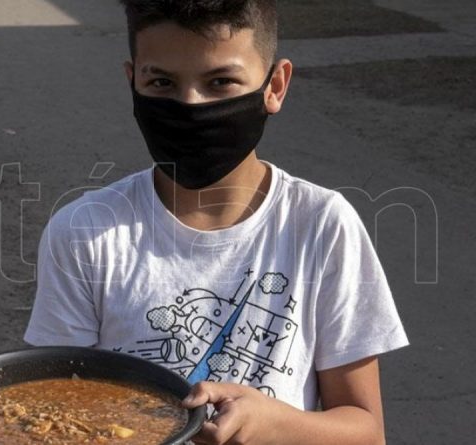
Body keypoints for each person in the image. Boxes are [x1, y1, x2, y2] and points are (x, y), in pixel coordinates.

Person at [24, 1, 409, 444]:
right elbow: (55, 409)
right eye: (162, 82)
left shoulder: (321, 225)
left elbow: (366, 432)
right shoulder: (84, 232)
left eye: (221, 82)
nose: (190, 104)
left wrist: (274, 424)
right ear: (133, 83)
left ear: (275, 86)